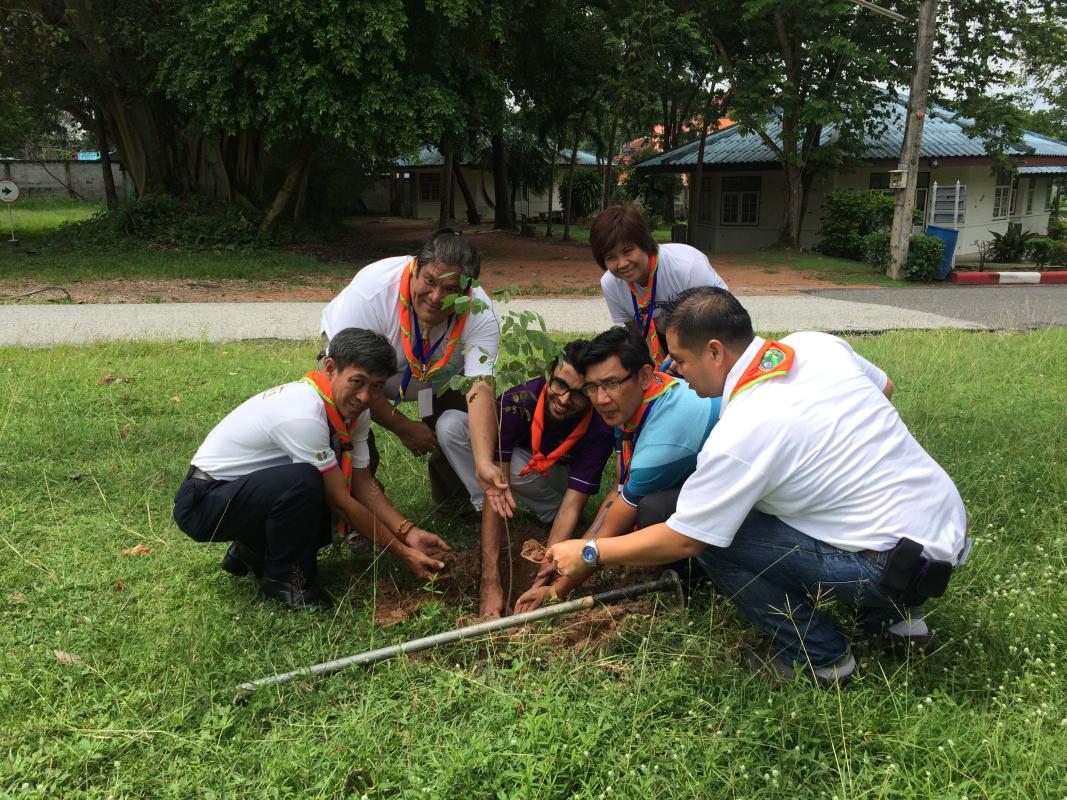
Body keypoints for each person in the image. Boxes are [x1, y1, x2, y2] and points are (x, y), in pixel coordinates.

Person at [545, 288, 970, 685]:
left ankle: (822, 656)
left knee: (716, 539)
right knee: (801, 510)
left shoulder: (742, 431)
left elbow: (685, 540)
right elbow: (885, 388)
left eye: (679, 358)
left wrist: (590, 552)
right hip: (947, 533)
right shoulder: (812, 344)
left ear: (714, 351)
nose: (671, 369)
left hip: (885, 568)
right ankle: (899, 619)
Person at [173, 328, 452, 612]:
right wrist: (403, 553)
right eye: (357, 381)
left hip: (240, 492)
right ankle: (284, 581)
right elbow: (341, 502)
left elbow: (362, 482)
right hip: (202, 502)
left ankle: (253, 552)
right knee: (307, 483)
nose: (365, 396)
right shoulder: (303, 413)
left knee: (315, 484)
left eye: (377, 387)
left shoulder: (354, 411)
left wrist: (408, 532)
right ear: (331, 369)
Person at [514, 326, 720, 613]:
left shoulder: (660, 446)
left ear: (644, 376)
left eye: (611, 383)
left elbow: (616, 523)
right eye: (592, 387)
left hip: (756, 501)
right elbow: (617, 491)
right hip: (712, 469)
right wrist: (568, 556)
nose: (600, 399)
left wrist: (556, 592)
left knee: (651, 510)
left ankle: (700, 581)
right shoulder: (646, 395)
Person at [320, 228, 514, 518]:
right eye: (430, 281)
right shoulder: (372, 290)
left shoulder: (480, 312)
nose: (436, 297)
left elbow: (480, 389)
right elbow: (351, 372)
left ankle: (454, 504)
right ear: (414, 269)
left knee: (468, 420)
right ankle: (354, 509)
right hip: (363, 365)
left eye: (450, 290)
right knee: (340, 408)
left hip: (439, 375)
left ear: (467, 290)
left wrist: (485, 461)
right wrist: (402, 426)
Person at [435, 340, 616, 618]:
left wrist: (542, 579)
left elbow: (572, 505)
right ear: (548, 375)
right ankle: (488, 513)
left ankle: (546, 513)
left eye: (580, 394)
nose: (565, 400)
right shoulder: (518, 402)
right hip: (520, 468)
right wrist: (490, 581)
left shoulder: (599, 428)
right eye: (559, 385)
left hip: (558, 484)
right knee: (450, 426)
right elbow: (496, 483)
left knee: (532, 489)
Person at [591, 204, 729, 366]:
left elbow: (719, 319)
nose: (622, 264)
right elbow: (639, 331)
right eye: (611, 257)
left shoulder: (687, 266)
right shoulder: (610, 284)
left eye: (628, 251)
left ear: (645, 242)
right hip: (664, 336)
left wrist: (679, 357)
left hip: (713, 330)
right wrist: (660, 369)